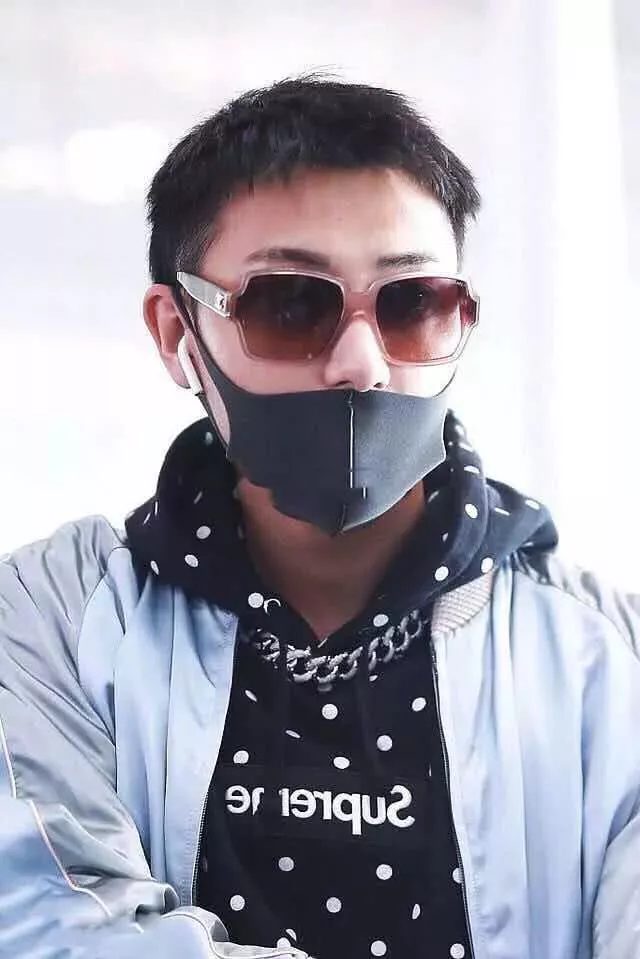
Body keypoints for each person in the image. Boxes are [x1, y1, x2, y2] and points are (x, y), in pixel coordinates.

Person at [0, 74, 638, 959]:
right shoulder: (52, 623)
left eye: (412, 304)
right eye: (291, 304)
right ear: (178, 333)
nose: (361, 363)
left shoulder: (611, 660)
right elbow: (55, 930)